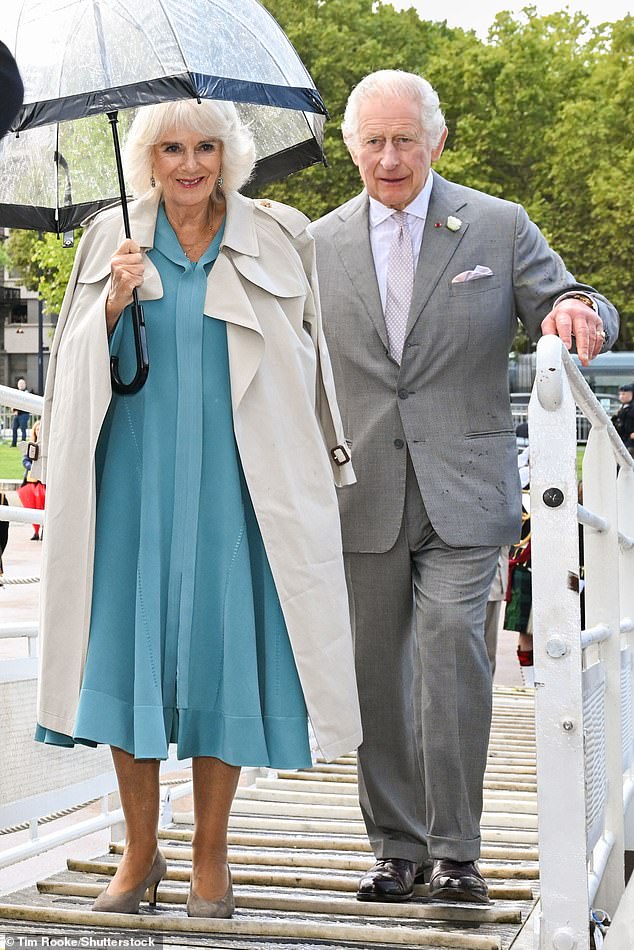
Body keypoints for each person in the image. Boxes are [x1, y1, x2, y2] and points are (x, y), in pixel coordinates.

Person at [34, 98, 361, 919]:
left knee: (224, 658)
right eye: (173, 149)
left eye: (206, 148)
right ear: (148, 158)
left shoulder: (279, 234)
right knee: (124, 656)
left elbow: (307, 359)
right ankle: (140, 857)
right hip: (132, 480)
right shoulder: (110, 236)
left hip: (240, 482)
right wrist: (112, 303)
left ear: (228, 155)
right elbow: (72, 375)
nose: (190, 165)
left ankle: (210, 856)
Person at [310, 69, 618, 905]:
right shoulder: (318, 242)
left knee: (451, 645)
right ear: (351, 149)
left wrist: (577, 312)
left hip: (466, 487)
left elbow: (572, 297)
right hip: (359, 488)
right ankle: (396, 849)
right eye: (372, 141)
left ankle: (456, 852)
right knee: (375, 673)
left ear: (437, 141)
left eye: (404, 138)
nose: (389, 157)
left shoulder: (496, 223)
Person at [18, 419, 45, 540]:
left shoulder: (46, 445)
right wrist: (32, 467)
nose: (38, 431)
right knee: (32, 505)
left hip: (43, 481)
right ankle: (36, 530)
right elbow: (25, 461)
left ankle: (44, 529)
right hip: (32, 480)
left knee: (44, 504)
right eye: (37, 429)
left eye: (40, 429)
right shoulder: (31, 445)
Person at [611, 383, 634, 455]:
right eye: (620, 394)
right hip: (622, 438)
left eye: (624, 394)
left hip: (631, 441)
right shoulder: (622, 408)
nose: (621, 396)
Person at [11, 378, 29, 447]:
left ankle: (23, 444)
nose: (21, 385)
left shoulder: (26, 393)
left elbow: (23, 403)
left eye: (22, 384)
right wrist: (13, 409)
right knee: (14, 429)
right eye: (19, 384)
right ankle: (13, 444)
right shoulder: (16, 393)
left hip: (24, 414)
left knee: (23, 430)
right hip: (17, 414)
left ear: (25, 385)